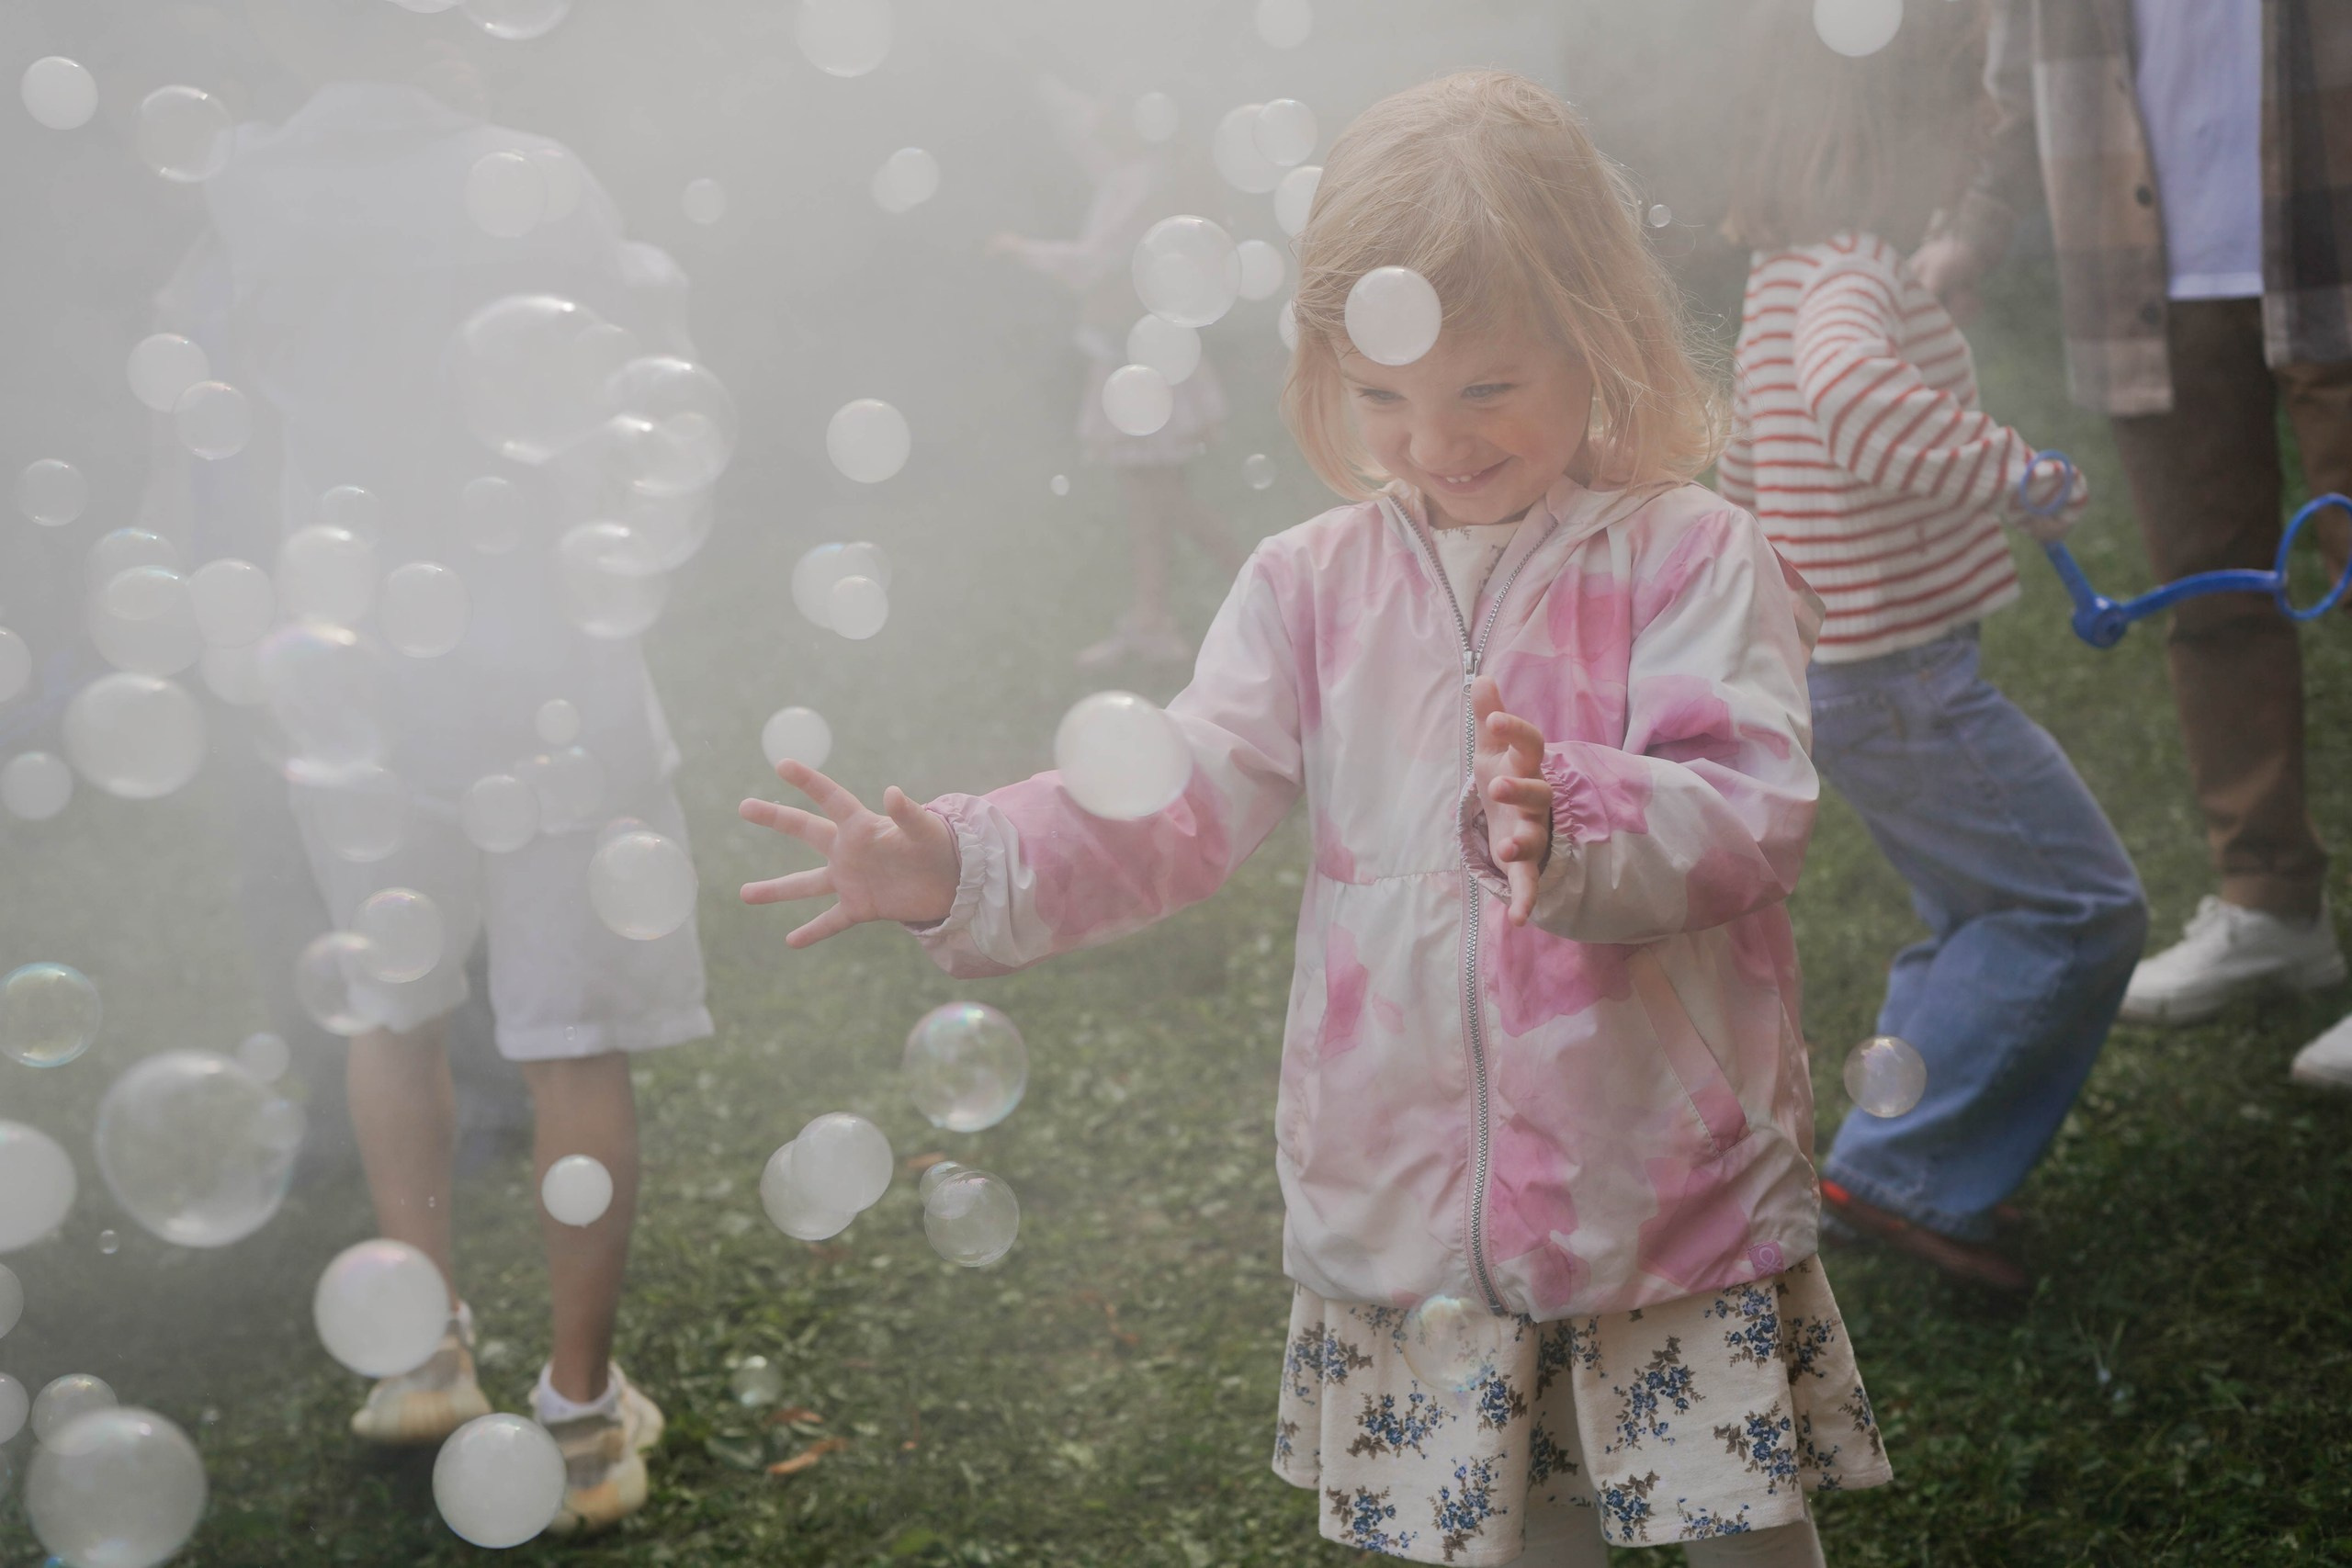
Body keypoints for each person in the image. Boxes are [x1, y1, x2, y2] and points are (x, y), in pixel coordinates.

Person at [745, 71, 1883, 1568]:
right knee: (1510, 1537)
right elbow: (1178, 797)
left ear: (1593, 334)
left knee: (1737, 1534)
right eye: (1383, 397)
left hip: (1655, 1190)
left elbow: (1747, 804)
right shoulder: (1308, 585)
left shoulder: (1694, 557)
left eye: (1486, 387)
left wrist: (1580, 820)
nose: (1435, 443)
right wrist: (970, 858)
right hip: (1407, 1209)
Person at [162, 77, 715, 1532]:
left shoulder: (250, 185)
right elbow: (634, 409)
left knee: (391, 1004)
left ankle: (419, 1355)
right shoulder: (538, 171)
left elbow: (221, 401)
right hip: (545, 661)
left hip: (358, 671)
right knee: (569, 1037)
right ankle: (584, 1420)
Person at [1714, 2, 2150, 1292]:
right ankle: (1902, 1170)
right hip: (1902, 680)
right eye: (1970, 90)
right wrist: (2011, 470)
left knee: (1979, 911)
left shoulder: (1787, 265)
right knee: (2078, 906)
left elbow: (1751, 453)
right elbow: (1853, 400)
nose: (1993, 116)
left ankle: (1902, 1148)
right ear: (1901, 124)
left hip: (1854, 676)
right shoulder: (1850, 269)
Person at [1909, 1, 2352, 1074]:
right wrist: (1973, 219)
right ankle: (2270, 905)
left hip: (2332, 243)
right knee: (2206, 605)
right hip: (2146, 272)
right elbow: (2017, 75)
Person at [985, 75, 1241, 669]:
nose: (1094, 118)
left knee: (1163, 497)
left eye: (1108, 109)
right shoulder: (1127, 171)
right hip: (1127, 351)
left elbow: (1092, 262)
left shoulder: (1143, 186)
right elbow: (1076, 122)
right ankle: (1151, 620)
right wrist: (1030, 70)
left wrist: (1018, 247)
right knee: (1146, 500)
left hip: (1142, 360)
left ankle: (1272, 589)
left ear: (1132, 122)